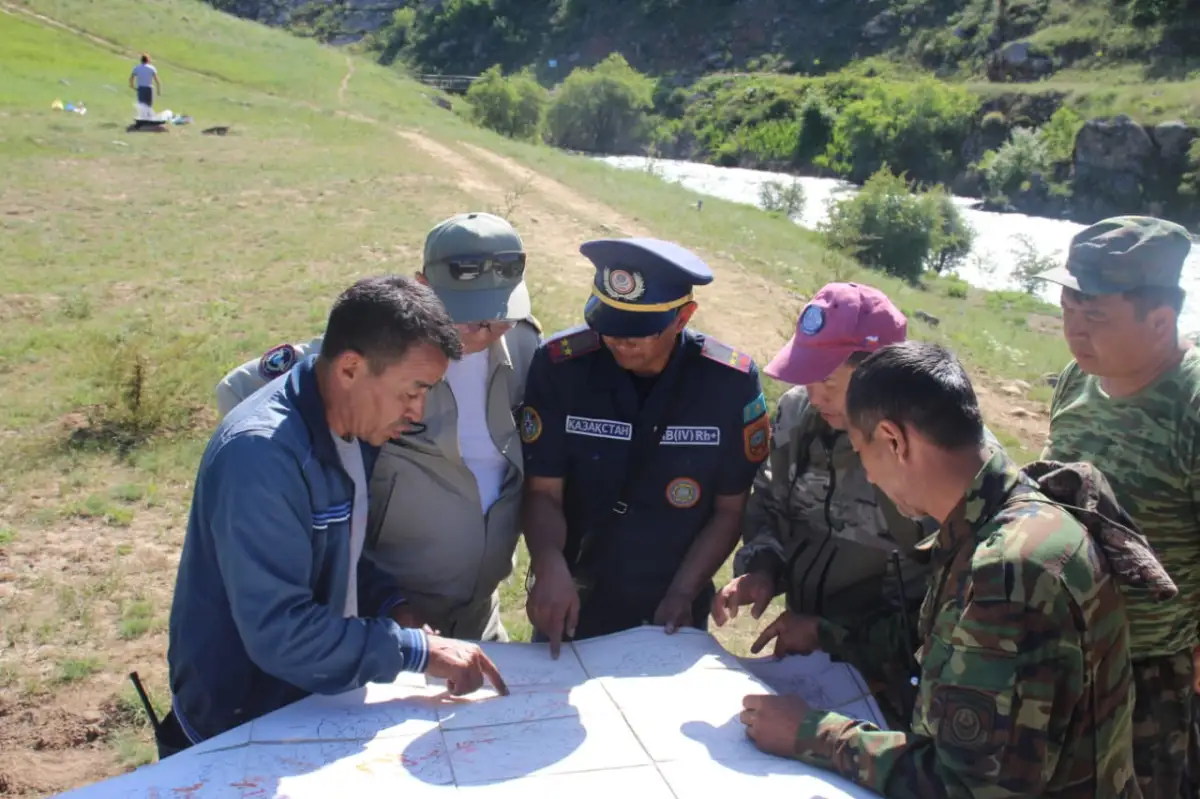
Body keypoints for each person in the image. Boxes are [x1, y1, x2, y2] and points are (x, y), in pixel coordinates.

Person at [739, 340, 1167, 798]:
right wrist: (828, 635)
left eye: (862, 455)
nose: (872, 477)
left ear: (893, 440)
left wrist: (811, 733)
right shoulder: (1004, 518)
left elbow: (965, 786)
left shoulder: (1010, 571)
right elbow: (950, 649)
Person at [160, 274, 507, 759]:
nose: (418, 411)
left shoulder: (348, 423)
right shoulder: (261, 458)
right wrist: (415, 651)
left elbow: (338, 548)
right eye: (412, 390)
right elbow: (281, 633)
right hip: (241, 725)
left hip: (311, 704)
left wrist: (392, 605)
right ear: (349, 368)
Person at [211, 212, 541, 642]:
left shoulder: (524, 345)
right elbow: (237, 392)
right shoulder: (380, 357)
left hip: (480, 611)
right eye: (472, 320)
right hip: (389, 612)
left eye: (501, 317)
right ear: (423, 287)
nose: (486, 332)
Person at [716, 282, 1008, 731]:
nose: (815, 396)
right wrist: (762, 568)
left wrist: (831, 635)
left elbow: (948, 609)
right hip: (810, 662)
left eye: (829, 382)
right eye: (806, 376)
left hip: (898, 679)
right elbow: (771, 500)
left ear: (881, 374)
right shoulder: (800, 415)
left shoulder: (942, 458)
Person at [520, 237, 770, 657]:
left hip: (672, 598)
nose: (619, 341)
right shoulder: (561, 367)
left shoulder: (729, 382)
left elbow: (730, 509)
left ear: (683, 316)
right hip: (572, 590)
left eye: (638, 331)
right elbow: (544, 491)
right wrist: (548, 562)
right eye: (609, 324)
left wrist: (683, 592)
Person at [1036, 215, 1200, 799]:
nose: (1074, 332)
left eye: (1095, 317)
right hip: (1063, 654)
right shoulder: (1076, 382)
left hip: (1153, 675)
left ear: (1160, 320)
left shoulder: (1191, 403)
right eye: (1068, 311)